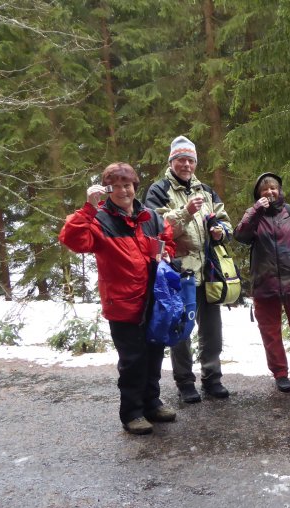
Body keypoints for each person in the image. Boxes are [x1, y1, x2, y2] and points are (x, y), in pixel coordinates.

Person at [59, 163, 177, 435]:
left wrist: (165, 252)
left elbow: (167, 240)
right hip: (123, 303)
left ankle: (152, 402)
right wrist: (88, 208)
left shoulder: (150, 217)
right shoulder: (99, 219)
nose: (124, 190)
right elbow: (73, 239)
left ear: (135, 186)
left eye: (129, 185)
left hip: (155, 300)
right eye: (117, 186)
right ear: (108, 189)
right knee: (133, 360)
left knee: (154, 355)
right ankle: (132, 413)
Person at [145, 136, 232, 404]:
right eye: (181, 159)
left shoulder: (205, 191)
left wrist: (221, 231)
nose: (186, 164)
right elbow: (155, 226)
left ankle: (212, 378)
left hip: (209, 272)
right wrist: (185, 212)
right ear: (171, 161)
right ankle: (185, 383)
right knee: (181, 331)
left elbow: (225, 220)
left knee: (212, 330)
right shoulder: (159, 190)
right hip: (179, 273)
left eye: (190, 160)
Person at [233, 173, 290, 393]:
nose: (270, 192)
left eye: (273, 188)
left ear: (279, 190)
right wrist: (255, 210)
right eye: (265, 190)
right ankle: (280, 373)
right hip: (265, 282)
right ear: (258, 195)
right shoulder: (253, 216)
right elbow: (240, 235)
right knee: (270, 332)